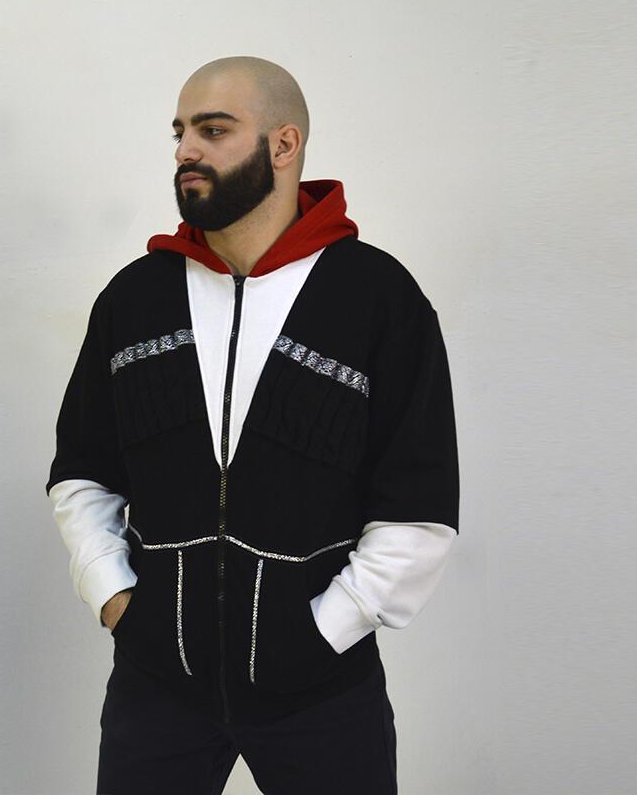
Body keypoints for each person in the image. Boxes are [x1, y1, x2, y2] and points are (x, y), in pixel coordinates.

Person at [45, 55, 460, 795]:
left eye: (213, 130)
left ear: (284, 144)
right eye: (180, 132)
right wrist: (115, 598)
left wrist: (325, 632)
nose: (185, 150)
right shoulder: (134, 301)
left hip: (322, 694)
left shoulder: (377, 299)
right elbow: (82, 471)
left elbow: (418, 505)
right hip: (156, 688)